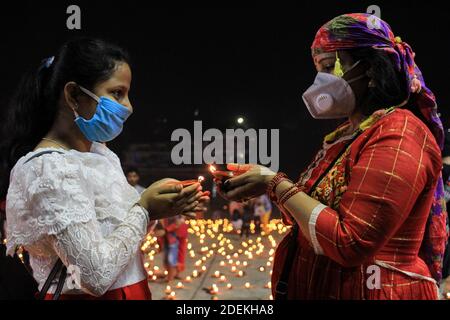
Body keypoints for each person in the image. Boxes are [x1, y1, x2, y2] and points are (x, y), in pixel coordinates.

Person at [215, 13, 447, 299]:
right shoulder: (346, 136)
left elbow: (351, 242)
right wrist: (264, 184)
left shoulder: (400, 133)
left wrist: (275, 184)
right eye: (317, 69)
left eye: (329, 66)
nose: (319, 80)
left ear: (371, 71)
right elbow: (305, 218)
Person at [0, 38, 209, 300]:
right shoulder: (48, 169)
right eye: (117, 93)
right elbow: (94, 276)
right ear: (74, 95)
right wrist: (144, 210)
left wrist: (161, 208)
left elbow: (117, 241)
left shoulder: (101, 155)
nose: (129, 106)